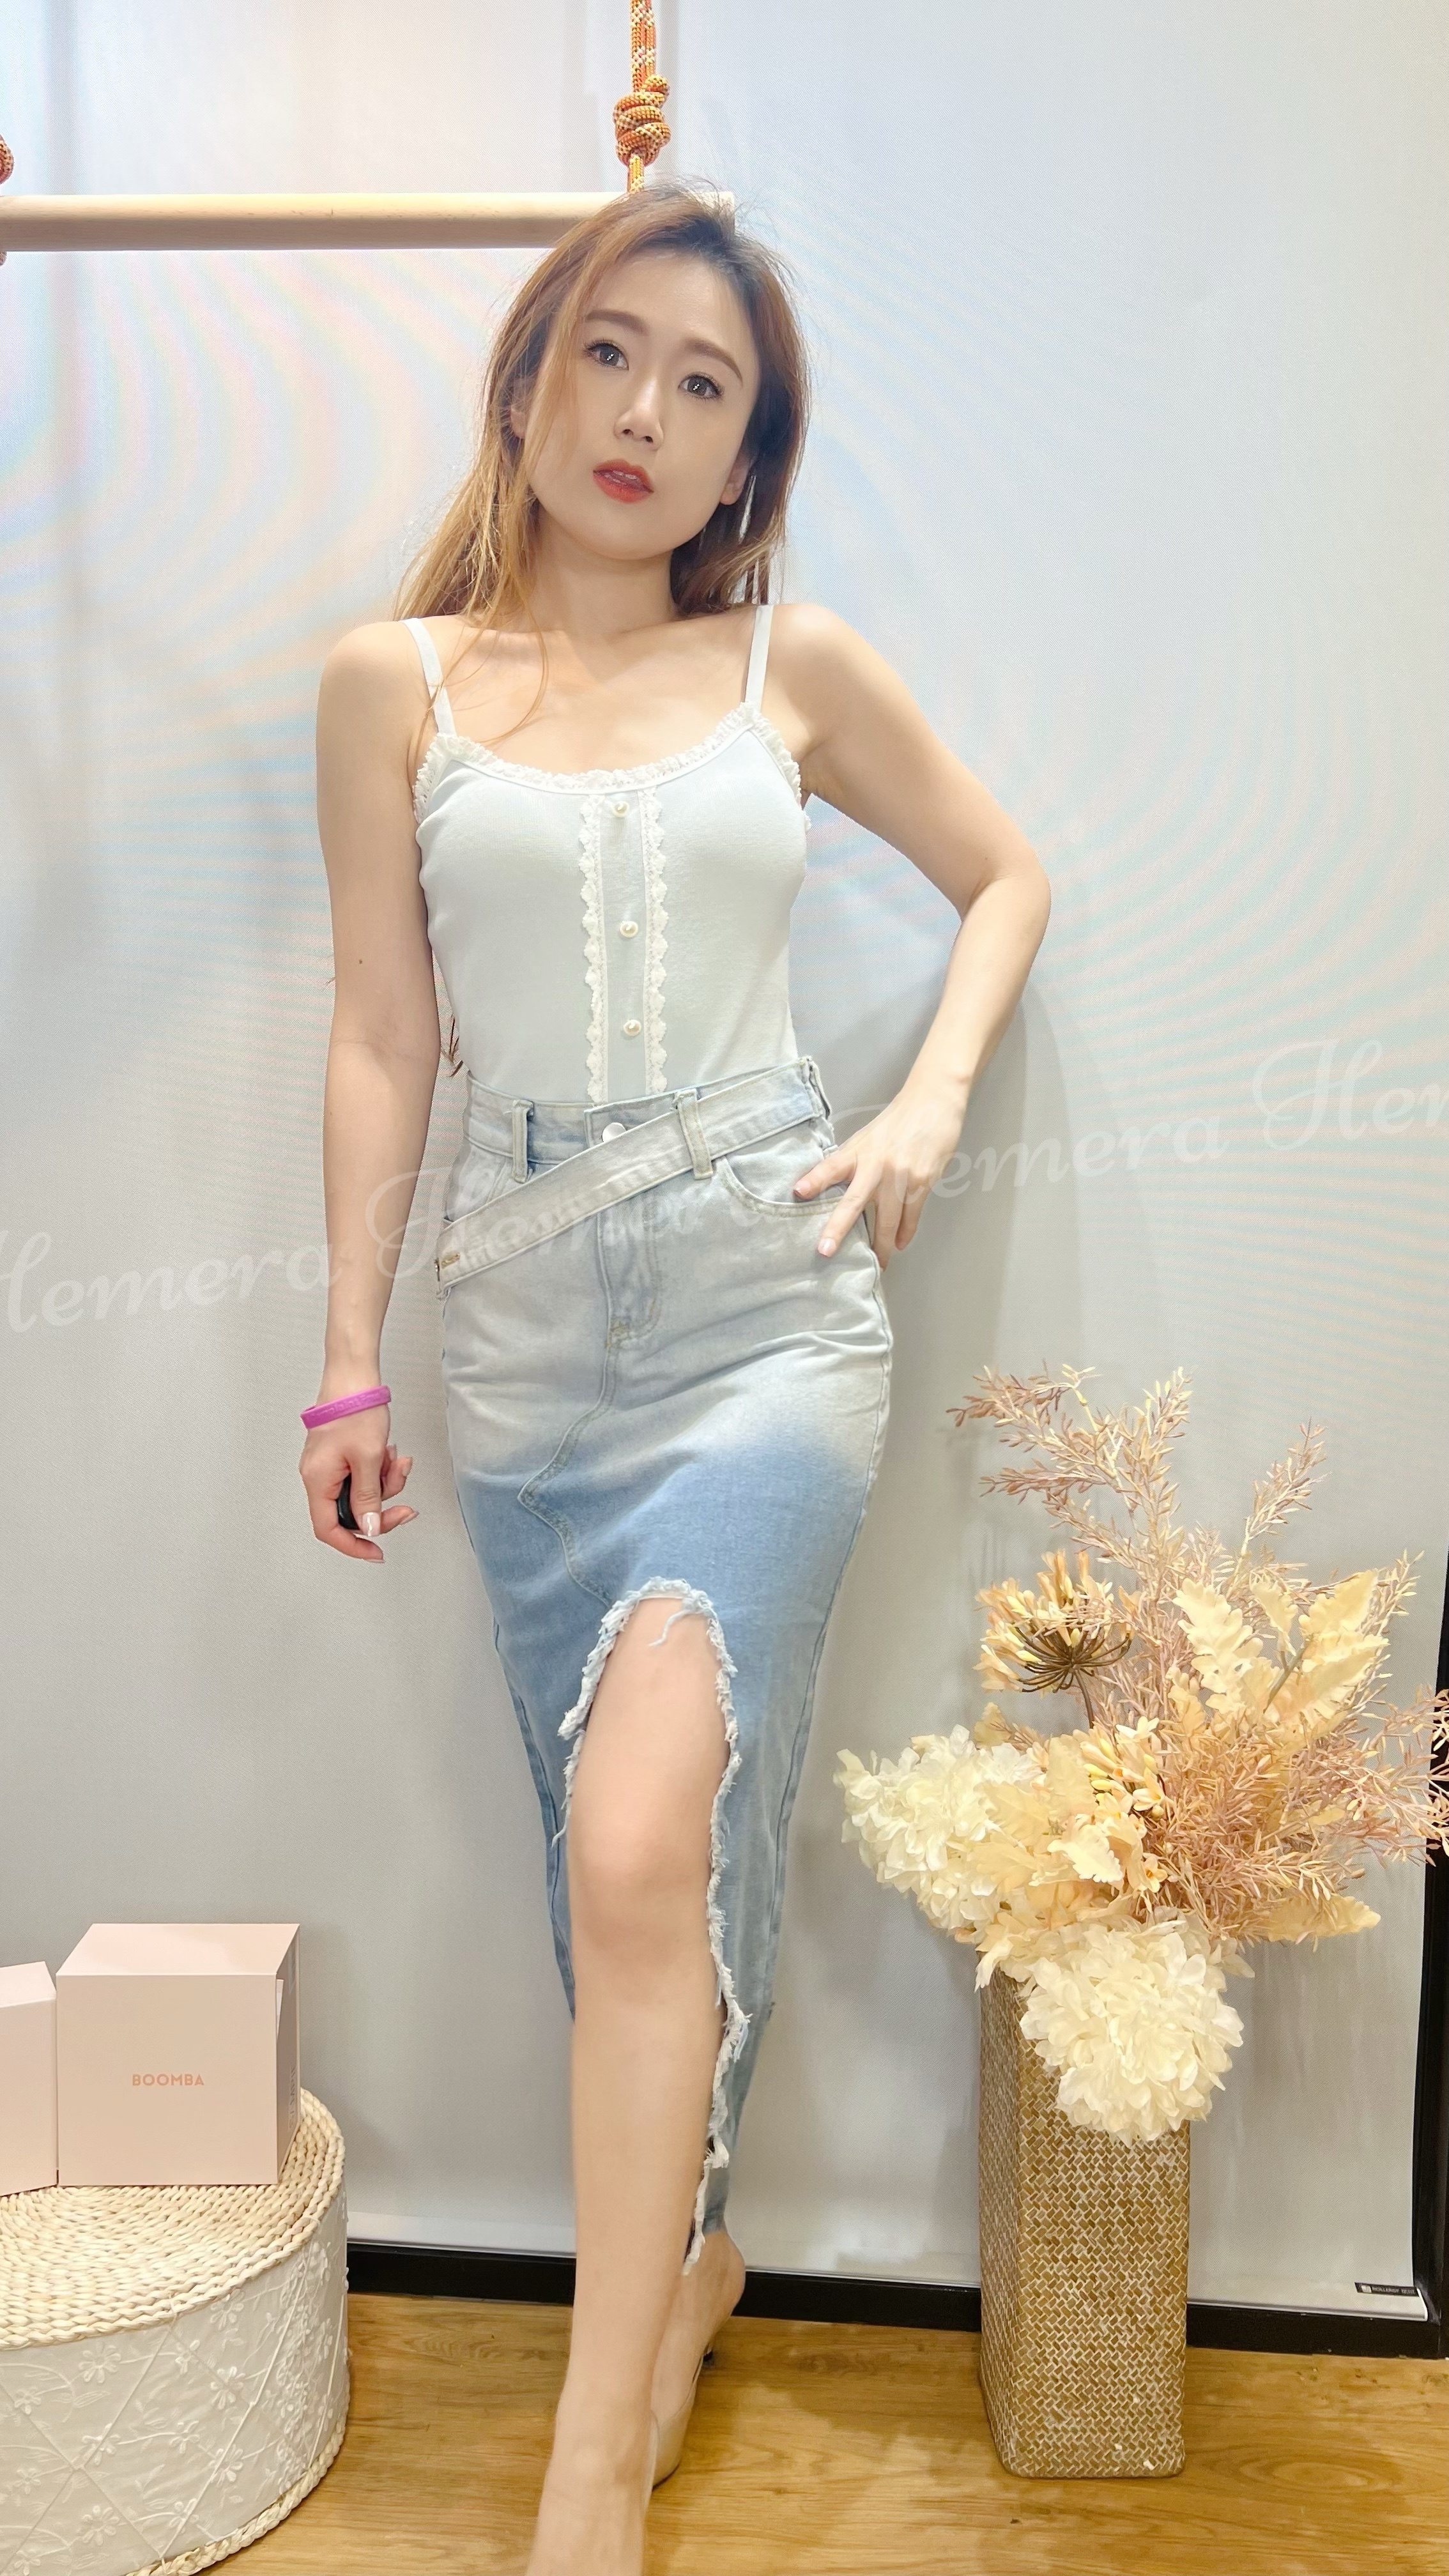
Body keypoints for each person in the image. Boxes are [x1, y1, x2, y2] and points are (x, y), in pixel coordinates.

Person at [302, 181, 1050, 2576]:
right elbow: (381, 1035)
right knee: (610, 1877)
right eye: (607, 353)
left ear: (746, 458)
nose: (643, 410)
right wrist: (346, 1357)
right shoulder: (391, 685)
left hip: (763, 1328)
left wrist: (923, 1103)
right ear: (528, 383)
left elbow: (1004, 876)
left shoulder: (788, 671)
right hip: (522, 1355)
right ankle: (689, 2273)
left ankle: (589, 2470)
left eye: (703, 383)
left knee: (640, 1846)